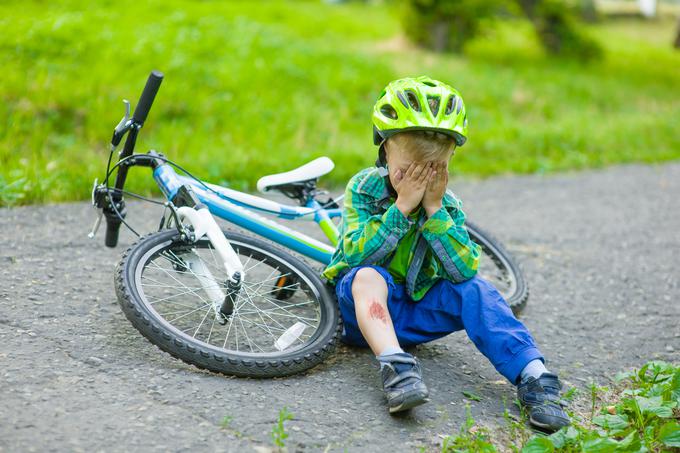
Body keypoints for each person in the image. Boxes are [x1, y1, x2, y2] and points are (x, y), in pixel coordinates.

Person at [322, 76, 570, 432]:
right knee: (366, 275)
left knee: (478, 290)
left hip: (415, 315)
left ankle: (535, 378)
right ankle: (396, 367)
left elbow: (463, 269)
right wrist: (402, 208)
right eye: (407, 171)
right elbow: (356, 252)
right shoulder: (365, 188)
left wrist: (435, 212)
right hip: (360, 316)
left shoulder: (446, 205)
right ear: (385, 149)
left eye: (432, 170)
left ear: (449, 162)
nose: (417, 182)